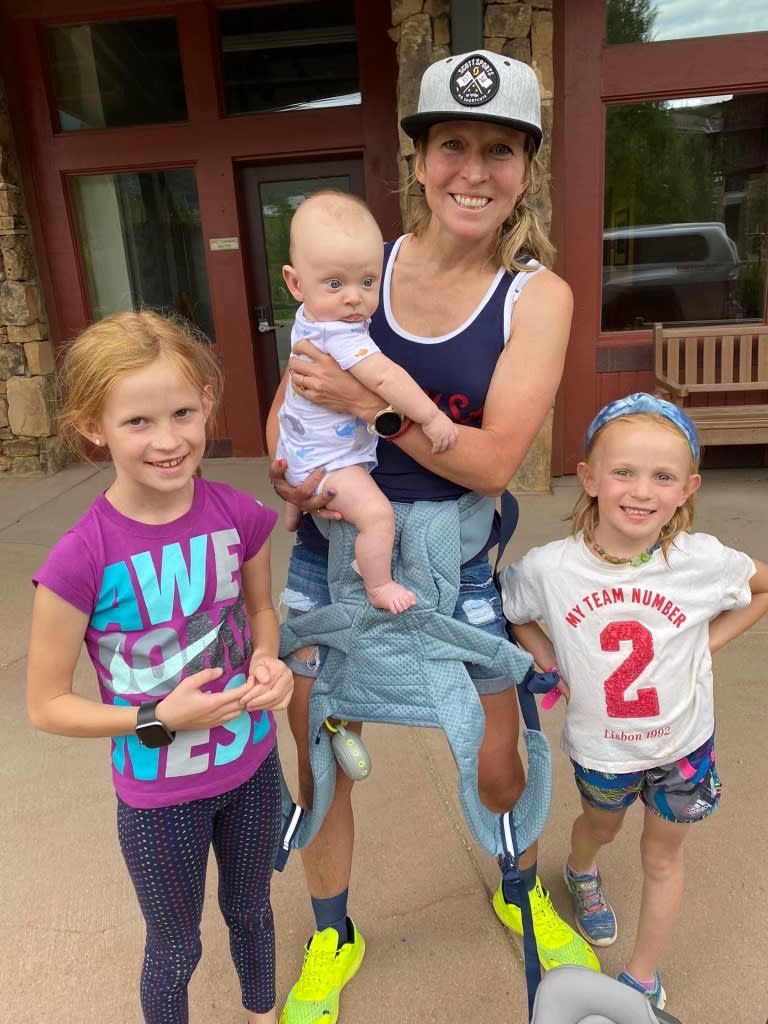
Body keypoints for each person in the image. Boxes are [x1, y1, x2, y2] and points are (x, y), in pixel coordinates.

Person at [268, 49, 599, 1024]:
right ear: (418, 159)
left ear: (526, 170)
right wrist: (291, 464)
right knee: (321, 741)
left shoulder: (537, 295)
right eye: (452, 144)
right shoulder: (367, 259)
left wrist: (369, 415)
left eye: (500, 149)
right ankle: (334, 931)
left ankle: (520, 890)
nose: (473, 170)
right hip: (333, 550)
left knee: (500, 750)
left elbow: (494, 462)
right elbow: (297, 388)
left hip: (455, 562)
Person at [26, 310, 294, 1024]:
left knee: (254, 914)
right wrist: (154, 717)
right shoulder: (79, 559)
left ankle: (261, 1013)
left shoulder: (240, 516)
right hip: (158, 795)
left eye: (182, 411)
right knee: (175, 951)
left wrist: (270, 663)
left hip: (253, 766)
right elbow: (46, 703)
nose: (168, 439)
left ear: (207, 402)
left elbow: (261, 616)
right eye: (138, 422)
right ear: (93, 425)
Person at [500, 392, 768, 1009]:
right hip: (603, 749)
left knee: (663, 856)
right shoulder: (550, 568)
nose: (642, 490)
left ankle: (643, 978)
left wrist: (710, 643)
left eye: (663, 476)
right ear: (589, 477)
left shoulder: (700, 560)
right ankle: (581, 869)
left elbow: (759, 586)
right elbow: (513, 611)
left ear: (686, 489)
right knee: (601, 825)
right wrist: (547, 657)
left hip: (683, 748)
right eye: (624, 471)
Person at [277, 190, 458, 613]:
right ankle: (377, 584)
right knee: (377, 517)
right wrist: (429, 418)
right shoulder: (338, 334)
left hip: (298, 445)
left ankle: (292, 512)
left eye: (367, 281)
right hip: (331, 461)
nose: (354, 297)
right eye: (335, 284)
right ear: (295, 283)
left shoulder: (310, 317)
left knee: (305, 476)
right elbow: (385, 376)